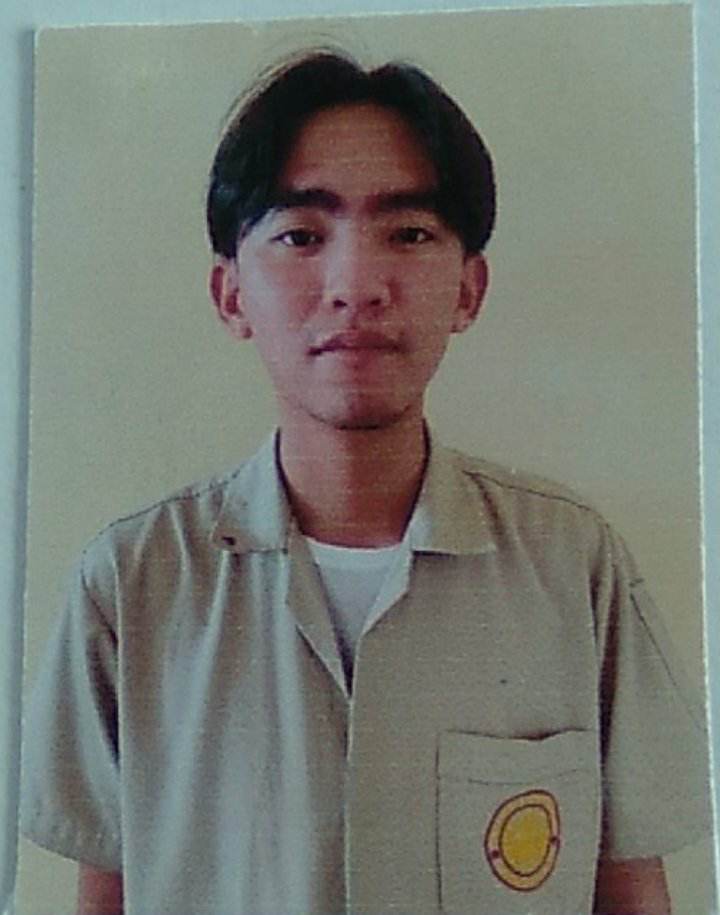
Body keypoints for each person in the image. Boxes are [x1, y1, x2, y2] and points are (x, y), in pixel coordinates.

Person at [21, 50, 709, 915]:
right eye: (301, 235)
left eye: (409, 233)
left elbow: (634, 895)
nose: (354, 286)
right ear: (230, 295)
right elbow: (102, 898)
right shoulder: (130, 586)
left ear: (469, 289)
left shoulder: (576, 569)